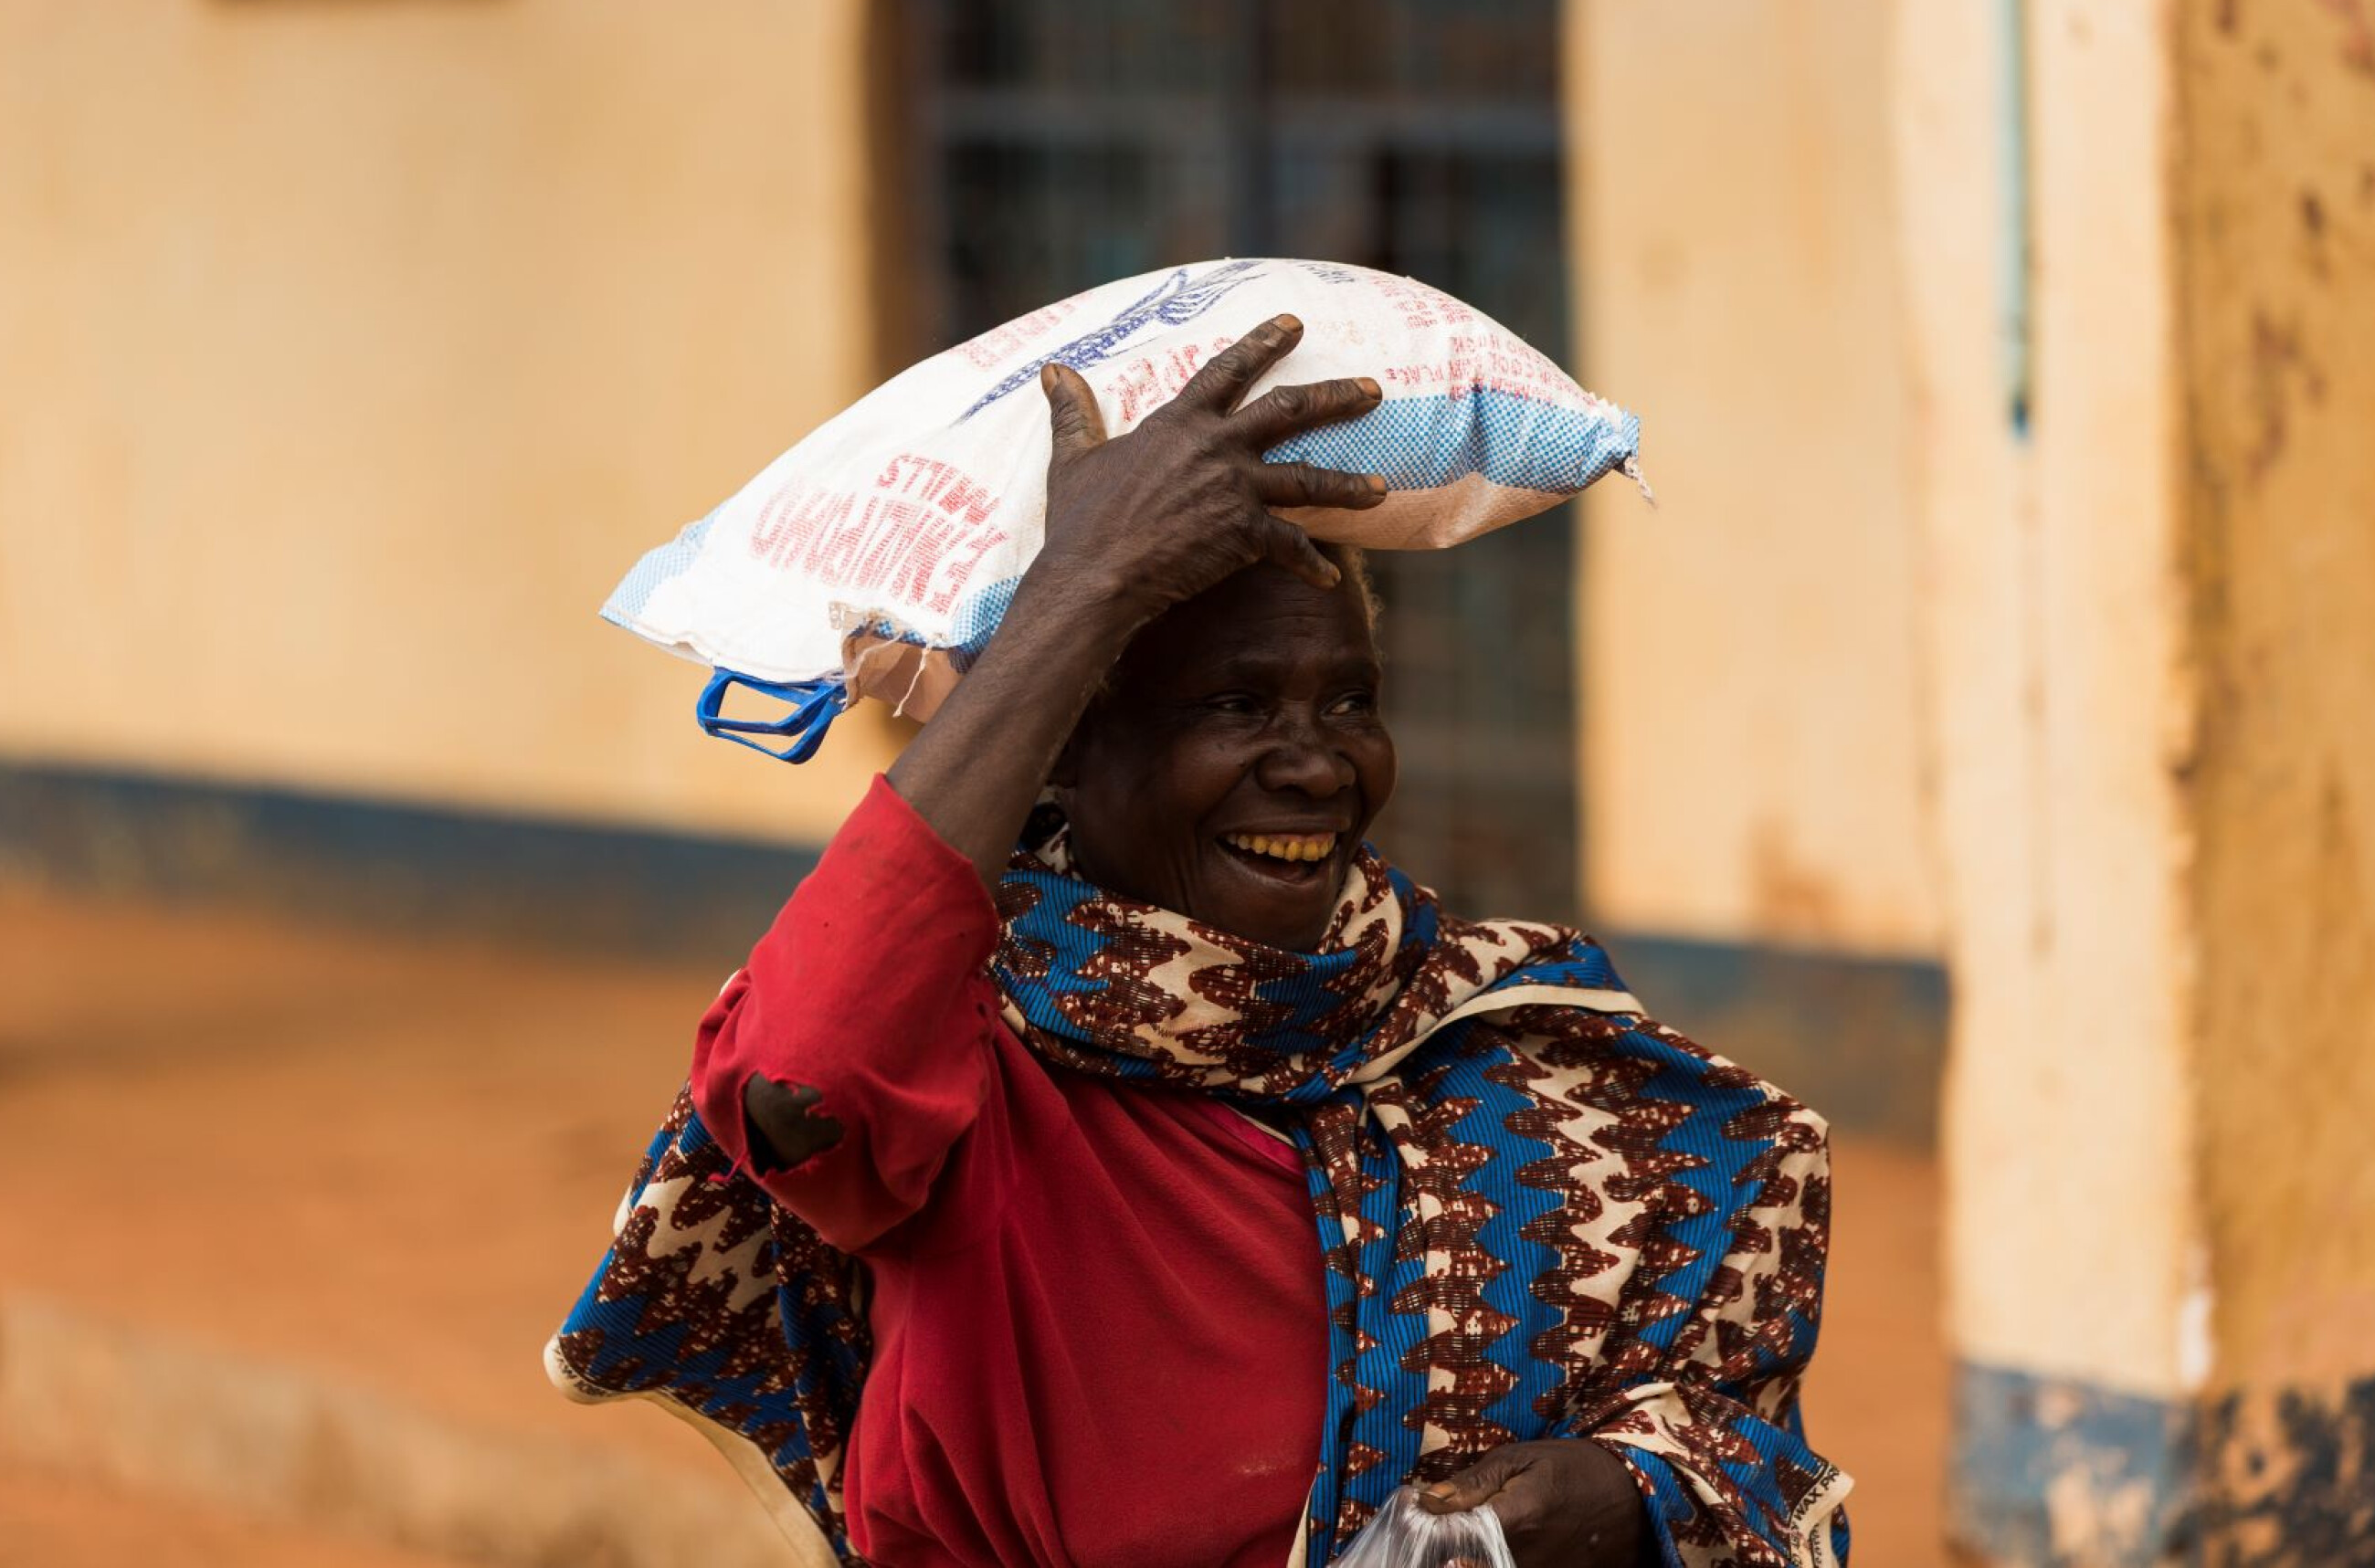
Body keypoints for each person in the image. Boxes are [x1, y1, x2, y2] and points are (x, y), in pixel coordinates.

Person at [550, 317, 1852, 1568]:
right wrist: (1090, 584)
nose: (1314, 762)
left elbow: (1722, 1421)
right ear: (1063, 757)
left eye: (1349, 700)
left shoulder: (1482, 1032)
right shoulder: (972, 1064)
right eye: (1233, 705)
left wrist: (1616, 1493)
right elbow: (796, 1081)